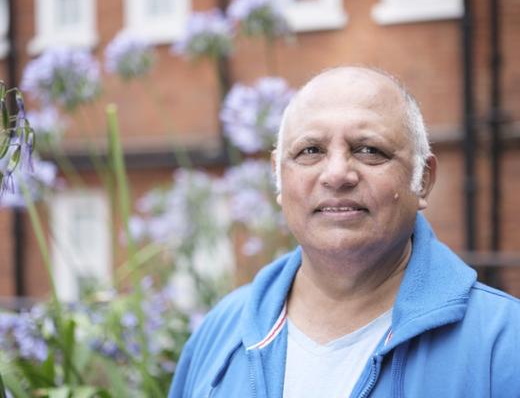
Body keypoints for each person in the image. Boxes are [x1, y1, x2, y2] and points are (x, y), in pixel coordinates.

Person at [168, 67, 520, 398]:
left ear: (423, 180)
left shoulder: (502, 343)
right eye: (310, 151)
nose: (336, 174)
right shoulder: (220, 332)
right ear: (278, 176)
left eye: (369, 150)